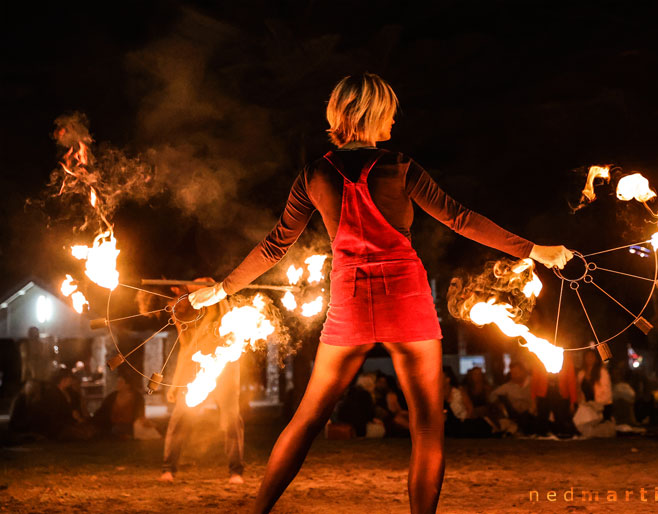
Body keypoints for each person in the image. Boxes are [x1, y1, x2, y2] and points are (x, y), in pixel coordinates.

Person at [188, 73, 572, 514]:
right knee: (427, 430)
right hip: (406, 299)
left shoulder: (314, 175)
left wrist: (222, 288)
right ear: (371, 115)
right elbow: (459, 218)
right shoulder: (399, 167)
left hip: (350, 303)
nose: (393, 120)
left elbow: (276, 243)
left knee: (308, 418)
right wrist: (534, 250)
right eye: (389, 111)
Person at [160, 279, 246, 484]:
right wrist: (176, 382)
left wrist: (201, 287)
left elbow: (215, 290)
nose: (173, 307)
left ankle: (236, 471)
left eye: (173, 301)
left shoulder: (214, 303)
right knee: (179, 418)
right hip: (196, 369)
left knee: (231, 419)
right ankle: (168, 469)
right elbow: (185, 350)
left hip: (225, 367)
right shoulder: (182, 318)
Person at [93, 372, 149, 439]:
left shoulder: (137, 397)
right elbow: (102, 410)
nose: (117, 384)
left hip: (130, 425)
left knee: (116, 430)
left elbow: (140, 414)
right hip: (111, 424)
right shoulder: (112, 397)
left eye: (120, 382)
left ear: (127, 385)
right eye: (118, 382)